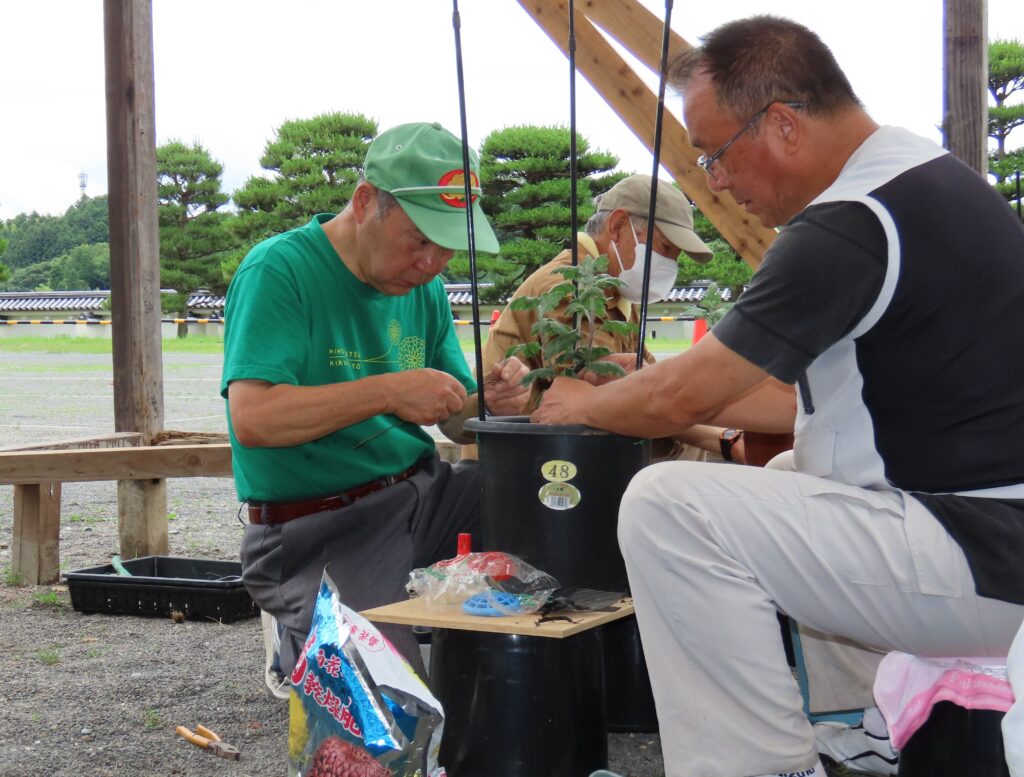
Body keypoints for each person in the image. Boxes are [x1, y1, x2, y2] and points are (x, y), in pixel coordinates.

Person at [534, 15, 1024, 777]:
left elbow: (684, 393)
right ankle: (861, 735)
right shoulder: (917, 176)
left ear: (783, 126)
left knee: (668, 507)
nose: (716, 180)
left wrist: (581, 404)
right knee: (791, 473)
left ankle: (759, 766)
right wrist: (620, 387)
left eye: (715, 154)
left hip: (985, 556)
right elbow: (784, 405)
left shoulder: (851, 223)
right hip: (985, 534)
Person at [221, 121, 531, 692]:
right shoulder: (280, 270)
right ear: (366, 203)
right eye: (419, 241)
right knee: (391, 700)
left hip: (424, 496)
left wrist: (491, 399)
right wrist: (390, 390)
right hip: (319, 524)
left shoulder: (424, 288)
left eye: (447, 248)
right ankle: (305, 640)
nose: (432, 264)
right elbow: (254, 420)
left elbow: (456, 419)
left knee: (549, 501)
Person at [482, 173, 747, 462]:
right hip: (529, 461)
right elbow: (614, 393)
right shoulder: (570, 286)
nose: (671, 265)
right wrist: (724, 440)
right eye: (666, 249)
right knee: (678, 449)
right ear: (618, 227)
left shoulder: (615, 288)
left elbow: (648, 378)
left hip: (569, 448)